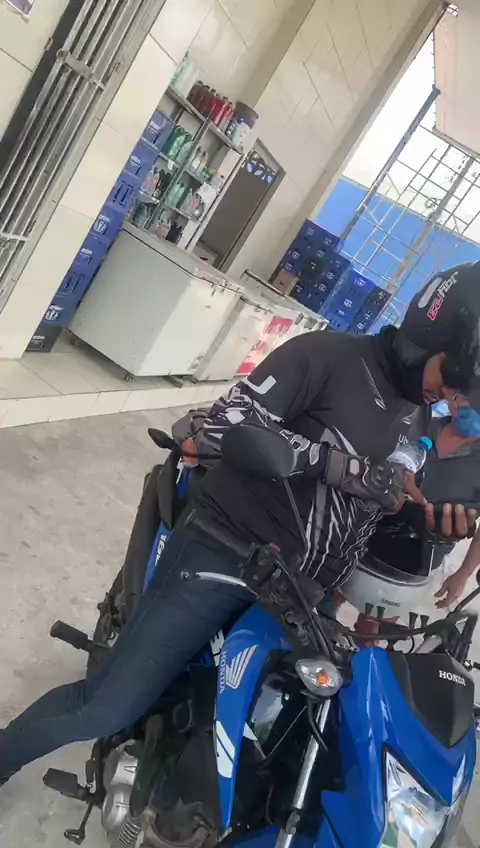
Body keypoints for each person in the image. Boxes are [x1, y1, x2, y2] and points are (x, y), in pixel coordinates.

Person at [0, 262, 480, 784]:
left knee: (289, 743)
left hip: (306, 595)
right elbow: (224, 424)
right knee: (103, 709)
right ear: (426, 336)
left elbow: (374, 505)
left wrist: (424, 526)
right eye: (453, 379)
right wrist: (338, 466)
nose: (452, 397)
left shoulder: (417, 417)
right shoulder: (326, 356)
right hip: (226, 555)